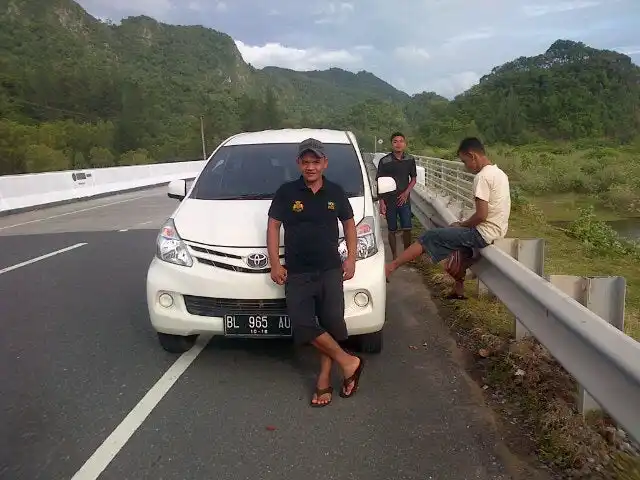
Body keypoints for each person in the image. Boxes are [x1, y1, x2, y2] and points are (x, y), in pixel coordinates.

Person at [267, 138, 365, 408]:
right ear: (298, 163)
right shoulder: (287, 192)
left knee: (331, 323)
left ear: (325, 163)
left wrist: (351, 260)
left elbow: (349, 226)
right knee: (301, 323)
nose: (310, 167)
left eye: (316, 161)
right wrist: (275, 263)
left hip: (330, 269)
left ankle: (324, 379)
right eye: (306, 161)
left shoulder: (335, 191)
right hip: (297, 271)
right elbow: (273, 227)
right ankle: (349, 362)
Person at [385, 137, 511, 294]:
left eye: (465, 162)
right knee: (457, 248)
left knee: (430, 236)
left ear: (473, 156)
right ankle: (458, 289)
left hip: (482, 233)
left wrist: (462, 224)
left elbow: (481, 215)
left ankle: (391, 266)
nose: (466, 167)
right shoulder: (499, 173)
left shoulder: (482, 177)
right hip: (497, 230)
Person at [375, 132, 417, 261]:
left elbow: (414, 179)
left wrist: (406, 193)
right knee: (392, 229)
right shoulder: (385, 161)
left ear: (405, 144)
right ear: (391, 144)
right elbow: (380, 182)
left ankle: (407, 255)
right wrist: (381, 202)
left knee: (407, 228)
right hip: (389, 201)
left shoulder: (409, 159)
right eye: (395, 141)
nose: (398, 144)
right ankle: (394, 256)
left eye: (401, 141)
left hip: (404, 200)